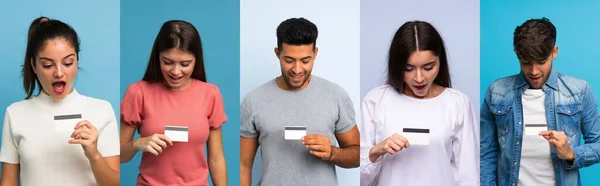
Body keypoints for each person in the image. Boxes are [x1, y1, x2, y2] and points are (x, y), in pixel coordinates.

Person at [239, 17, 360, 186]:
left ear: (315, 53)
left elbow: (358, 155)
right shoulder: (253, 101)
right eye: (289, 60)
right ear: (277, 53)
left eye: (305, 61)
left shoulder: (336, 95)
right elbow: (243, 165)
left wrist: (333, 153)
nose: (297, 69)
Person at [0, 16, 120, 186]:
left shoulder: (101, 110)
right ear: (34, 66)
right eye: (48, 65)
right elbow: (8, 182)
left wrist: (94, 154)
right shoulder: (15, 113)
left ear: (77, 61)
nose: (59, 73)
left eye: (67, 63)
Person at [480, 17, 600, 186]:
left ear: (554, 52)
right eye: (526, 62)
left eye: (541, 62)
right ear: (517, 53)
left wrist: (571, 153)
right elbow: (486, 153)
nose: (534, 71)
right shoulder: (497, 92)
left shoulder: (580, 91)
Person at [360, 21, 479, 186]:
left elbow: (468, 176)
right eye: (408, 69)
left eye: (428, 67)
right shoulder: (376, 100)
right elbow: (361, 180)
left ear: (440, 62)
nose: (419, 78)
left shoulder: (458, 104)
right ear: (397, 66)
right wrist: (376, 151)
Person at [120, 20, 228, 186]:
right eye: (168, 62)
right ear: (157, 58)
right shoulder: (138, 92)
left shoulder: (210, 94)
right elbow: (119, 155)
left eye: (185, 64)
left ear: (196, 60)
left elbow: (216, 158)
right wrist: (137, 143)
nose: (176, 72)